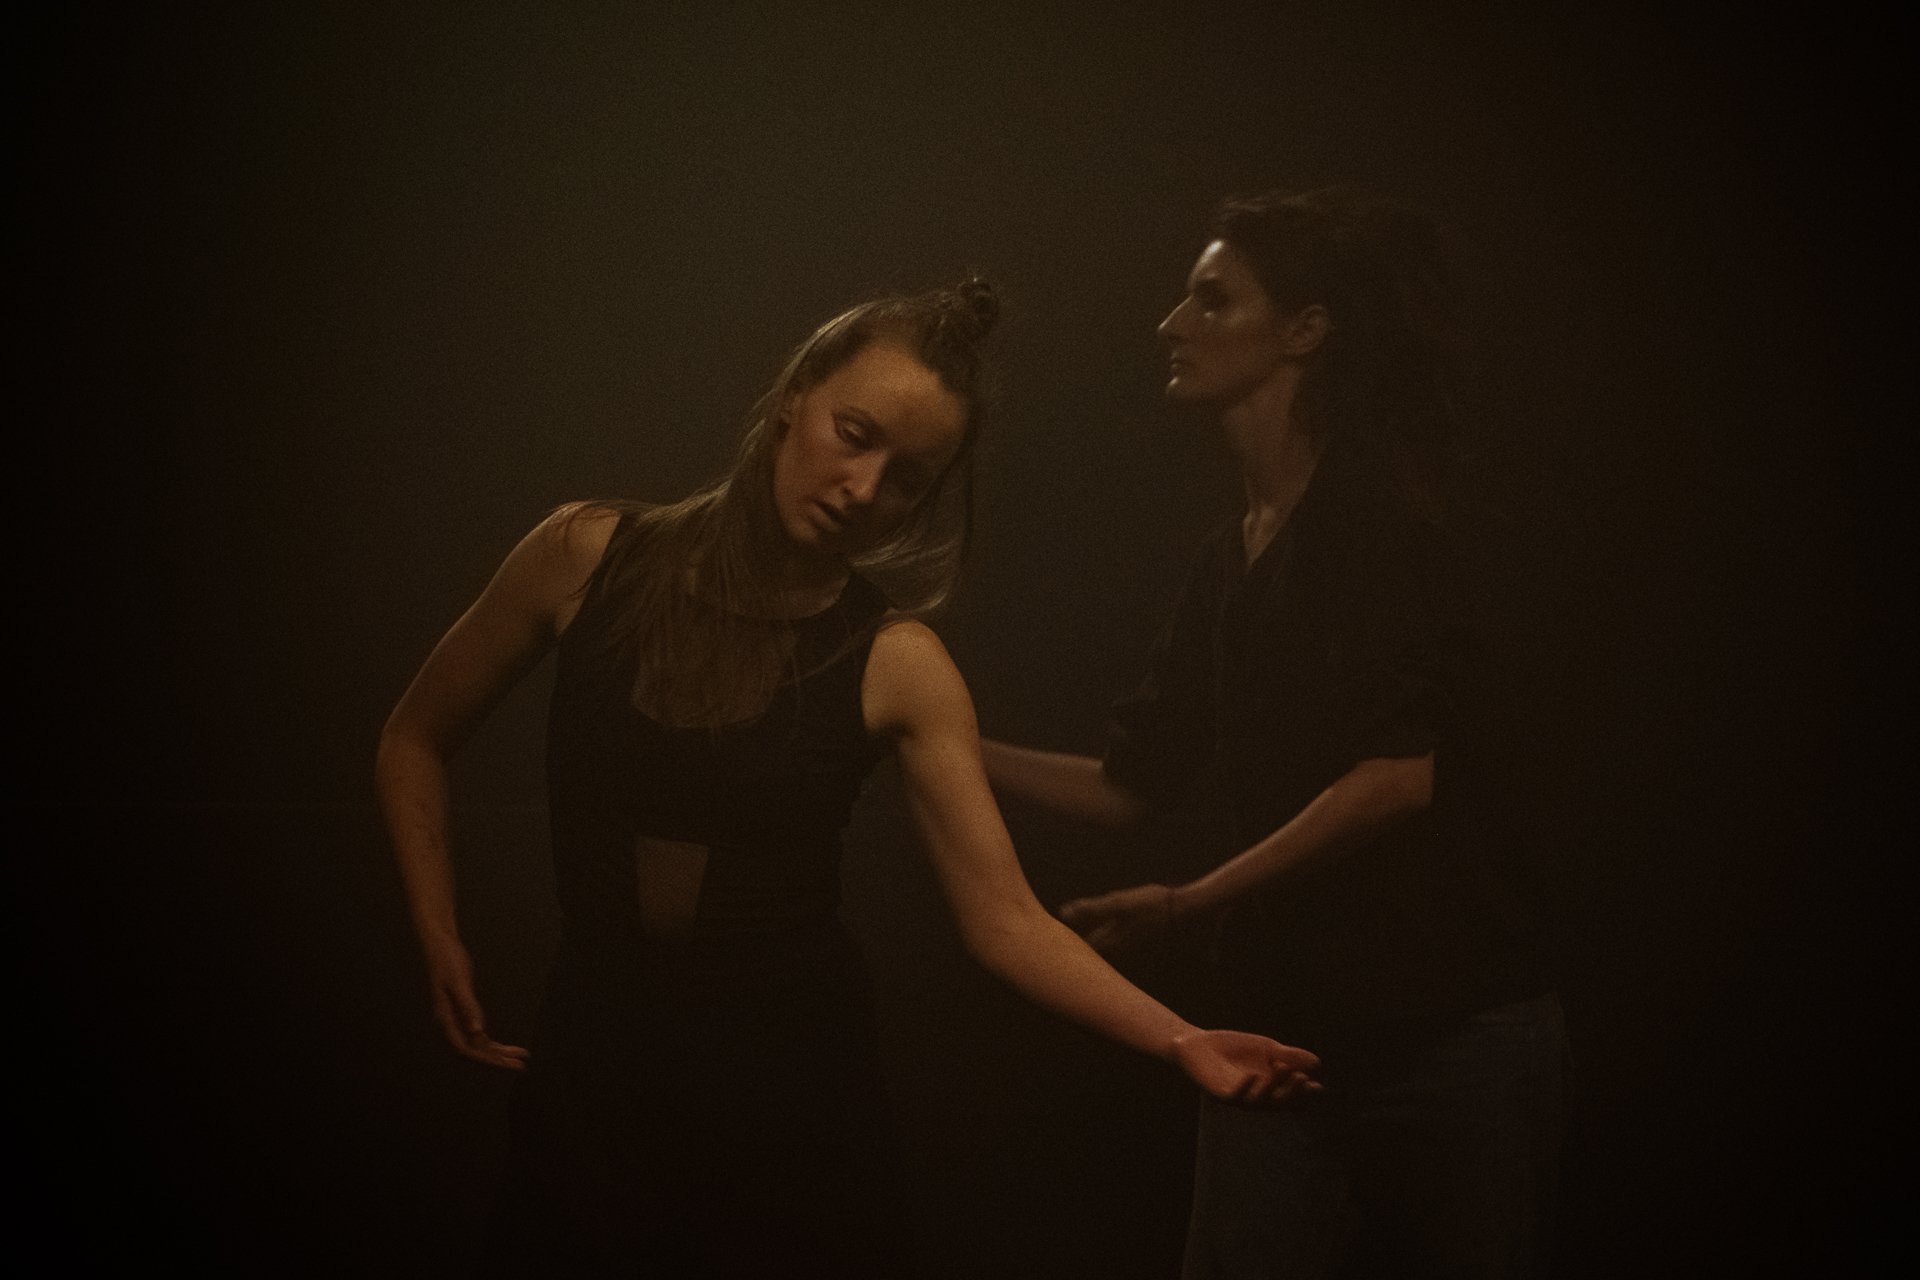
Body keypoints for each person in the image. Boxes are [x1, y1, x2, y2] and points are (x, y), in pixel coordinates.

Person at [374, 278, 1322, 1277]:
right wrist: (438, 933)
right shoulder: (581, 554)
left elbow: (1006, 919)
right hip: (595, 1056)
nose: (864, 489)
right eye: (854, 435)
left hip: (785, 1089)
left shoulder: (897, 660)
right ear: (796, 395)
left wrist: (1181, 1040)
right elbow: (413, 738)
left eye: (906, 479)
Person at [982, 190, 1564, 1277]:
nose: (1172, 323)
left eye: (1213, 299)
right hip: (1283, 1032)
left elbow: (1396, 778)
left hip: (1450, 1029)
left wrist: (1190, 901)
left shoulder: (1378, 521)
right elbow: (1129, 784)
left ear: (1304, 330)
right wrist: (939, 740)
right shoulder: (1229, 559)